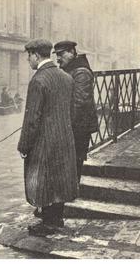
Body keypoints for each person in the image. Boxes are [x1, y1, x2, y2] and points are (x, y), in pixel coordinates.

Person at [18, 39, 77, 236]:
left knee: (42, 180)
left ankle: (47, 223)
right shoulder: (66, 77)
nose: (28, 60)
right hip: (64, 137)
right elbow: (70, 110)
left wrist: (24, 145)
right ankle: (57, 218)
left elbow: (32, 119)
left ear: (36, 55)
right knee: (60, 179)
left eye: (29, 56)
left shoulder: (38, 80)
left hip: (44, 140)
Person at [53, 41, 99, 183]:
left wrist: (66, 125)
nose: (58, 58)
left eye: (61, 54)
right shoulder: (71, 69)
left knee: (75, 159)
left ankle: (72, 190)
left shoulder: (81, 72)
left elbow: (79, 103)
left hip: (79, 126)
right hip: (73, 124)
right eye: (57, 55)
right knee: (69, 160)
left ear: (72, 52)